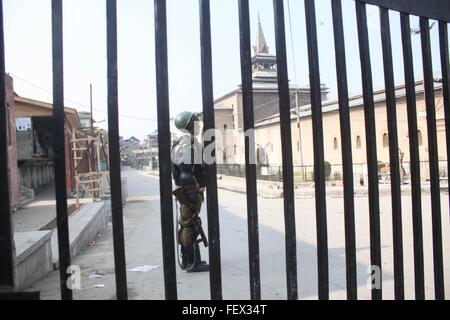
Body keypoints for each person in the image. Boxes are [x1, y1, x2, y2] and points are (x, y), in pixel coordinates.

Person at [171, 111, 209, 273]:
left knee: (190, 223)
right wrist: (192, 197)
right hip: (190, 191)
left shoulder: (184, 143)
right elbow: (186, 174)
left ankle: (190, 260)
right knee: (188, 224)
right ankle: (192, 262)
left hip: (189, 191)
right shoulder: (187, 145)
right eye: (195, 123)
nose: (198, 126)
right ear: (188, 126)